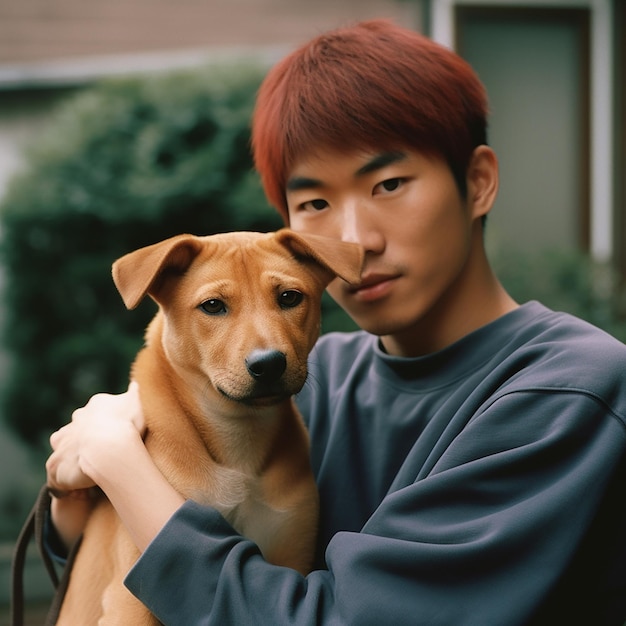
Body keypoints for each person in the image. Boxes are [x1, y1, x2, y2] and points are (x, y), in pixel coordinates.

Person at [45, 19, 626, 625]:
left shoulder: (570, 389)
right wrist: (78, 492)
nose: (355, 241)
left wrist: (120, 463)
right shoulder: (306, 375)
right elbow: (138, 574)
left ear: (477, 183)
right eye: (316, 202)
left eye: (389, 183)